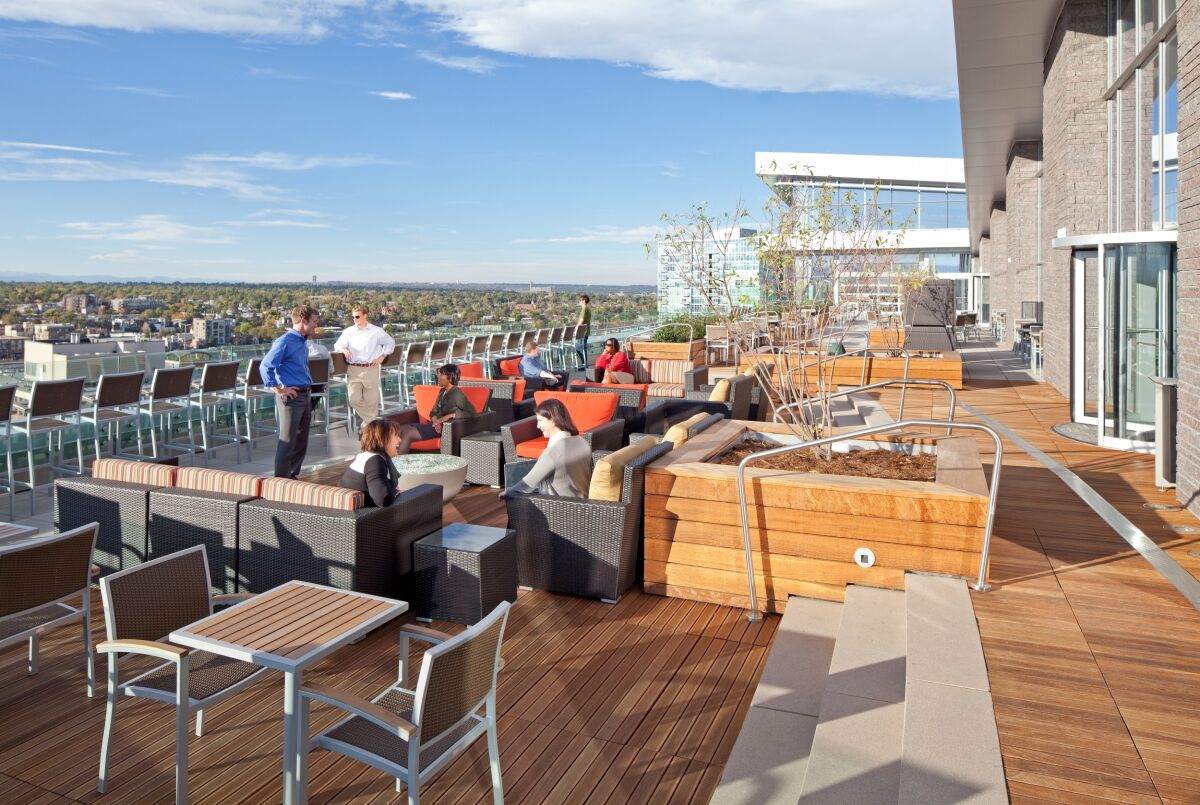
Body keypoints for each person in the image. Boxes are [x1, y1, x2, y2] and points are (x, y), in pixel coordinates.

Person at [260, 304, 320, 478]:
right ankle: (281, 482)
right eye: (314, 321)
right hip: (291, 398)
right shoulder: (284, 341)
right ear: (303, 321)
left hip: (305, 395)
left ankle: (292, 478)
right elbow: (265, 366)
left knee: (301, 441)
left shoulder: (302, 341)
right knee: (287, 442)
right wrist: (278, 388)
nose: (316, 325)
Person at [500, 398, 592, 498]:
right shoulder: (582, 441)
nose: (538, 426)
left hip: (559, 504)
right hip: (586, 503)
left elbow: (526, 485)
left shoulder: (552, 453)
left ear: (553, 421)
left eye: (540, 421)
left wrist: (507, 493)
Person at [333, 305, 395, 430]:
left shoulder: (376, 331)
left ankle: (369, 430)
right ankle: (374, 422)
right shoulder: (348, 332)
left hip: (371, 369)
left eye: (357, 316)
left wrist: (382, 356)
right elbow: (338, 345)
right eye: (353, 317)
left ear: (365, 316)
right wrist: (343, 349)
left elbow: (390, 342)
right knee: (353, 399)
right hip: (353, 369)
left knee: (371, 402)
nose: (354, 319)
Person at [396, 363, 478, 454]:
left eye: (441, 375)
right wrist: (435, 421)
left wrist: (450, 416)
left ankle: (396, 462)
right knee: (399, 429)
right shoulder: (442, 391)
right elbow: (433, 411)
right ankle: (388, 459)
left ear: (450, 378)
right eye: (439, 374)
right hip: (434, 425)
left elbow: (472, 412)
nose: (438, 377)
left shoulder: (456, 393)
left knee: (407, 433)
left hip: (445, 428)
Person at [340, 418, 403, 508]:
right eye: (396, 436)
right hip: (359, 515)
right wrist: (395, 491)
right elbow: (383, 500)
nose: (400, 440)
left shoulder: (368, 457)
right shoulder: (375, 461)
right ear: (383, 439)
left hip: (352, 512)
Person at [575, 293, 591, 368]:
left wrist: (575, 329)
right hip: (586, 331)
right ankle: (584, 364)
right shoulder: (588, 309)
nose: (579, 301)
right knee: (582, 348)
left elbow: (581, 321)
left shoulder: (584, 309)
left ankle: (584, 364)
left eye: (580, 300)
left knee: (579, 348)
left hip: (582, 332)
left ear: (584, 301)